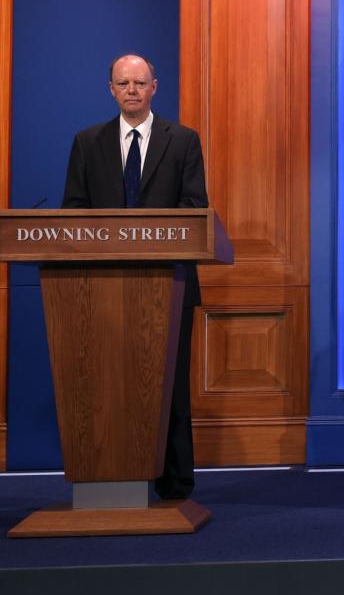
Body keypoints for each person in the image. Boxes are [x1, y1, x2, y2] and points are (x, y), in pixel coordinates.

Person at [62, 54, 209, 500]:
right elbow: (74, 211)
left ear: (154, 88)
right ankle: (110, 476)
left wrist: (145, 236)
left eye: (139, 83)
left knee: (170, 388)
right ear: (110, 89)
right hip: (100, 291)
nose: (131, 90)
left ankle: (175, 482)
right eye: (123, 83)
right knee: (106, 384)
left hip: (169, 284)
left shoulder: (182, 141)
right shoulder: (88, 142)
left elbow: (193, 208)